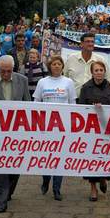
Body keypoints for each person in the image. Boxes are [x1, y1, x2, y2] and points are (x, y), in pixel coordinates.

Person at [0, 55, 31, 213]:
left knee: (15, 166)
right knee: (0, 166)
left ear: (13, 69)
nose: (6, 74)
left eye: (9, 71)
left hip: (17, 131)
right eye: (3, 71)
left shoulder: (22, 80)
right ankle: (0, 200)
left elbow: (28, 104)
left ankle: (8, 190)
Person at [33, 55, 76, 201]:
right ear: (50, 66)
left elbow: (72, 104)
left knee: (60, 158)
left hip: (63, 127)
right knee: (46, 157)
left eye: (59, 64)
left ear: (62, 66)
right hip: (46, 126)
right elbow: (36, 102)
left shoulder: (68, 82)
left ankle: (57, 188)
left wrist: (71, 125)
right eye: (54, 64)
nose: (56, 66)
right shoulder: (42, 82)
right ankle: (45, 180)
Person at [78, 61, 110, 202]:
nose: (99, 72)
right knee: (92, 158)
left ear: (104, 71)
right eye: (96, 70)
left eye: (101, 69)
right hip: (91, 129)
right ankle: (93, 188)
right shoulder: (85, 88)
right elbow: (81, 109)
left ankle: (103, 178)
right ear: (92, 72)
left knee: (105, 157)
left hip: (106, 128)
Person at [65, 33, 110, 98]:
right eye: (87, 41)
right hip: (74, 100)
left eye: (92, 42)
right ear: (81, 44)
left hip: (94, 101)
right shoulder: (71, 59)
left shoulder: (100, 59)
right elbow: (64, 78)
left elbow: (109, 79)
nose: (90, 44)